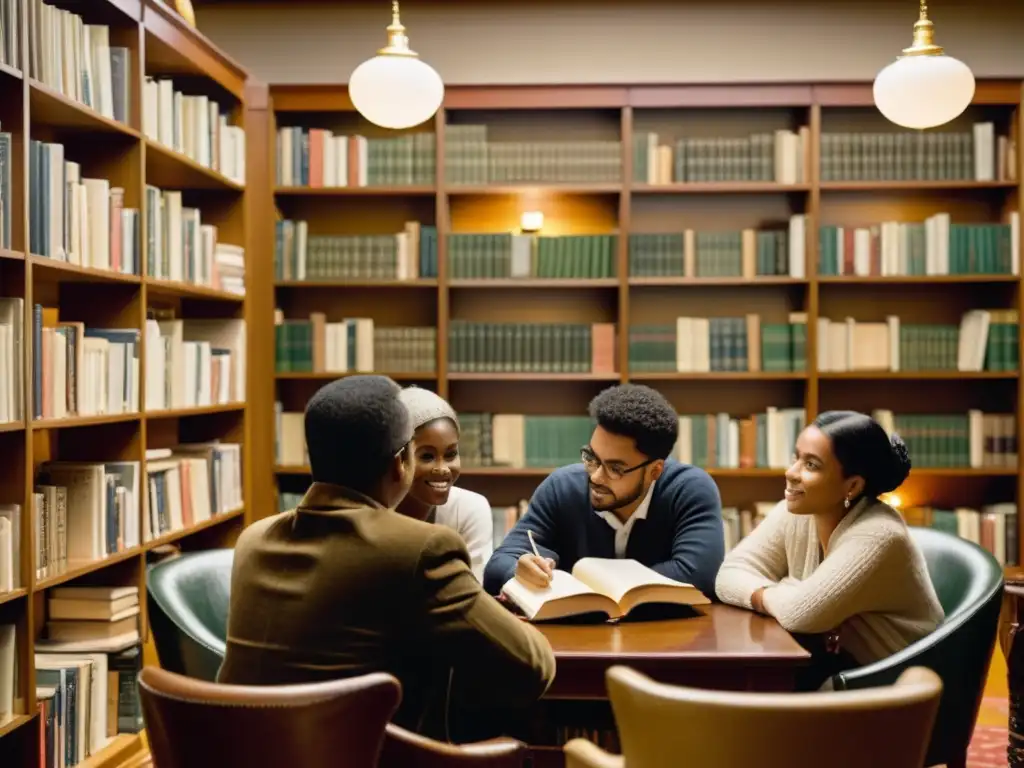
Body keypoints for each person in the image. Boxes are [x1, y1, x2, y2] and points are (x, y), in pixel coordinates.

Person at [218, 375, 555, 740]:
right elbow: (531, 666)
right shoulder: (419, 549)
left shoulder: (251, 539)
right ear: (400, 465)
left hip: (240, 751)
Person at [715, 410, 944, 690]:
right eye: (795, 457)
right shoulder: (799, 510)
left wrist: (781, 590)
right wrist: (791, 593)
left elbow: (800, 613)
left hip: (895, 683)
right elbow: (728, 574)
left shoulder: (879, 535)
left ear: (852, 485)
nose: (791, 473)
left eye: (811, 465)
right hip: (834, 664)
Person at [483, 383, 725, 600]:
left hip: (667, 641)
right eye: (592, 458)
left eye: (615, 468)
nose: (596, 476)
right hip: (577, 640)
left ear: (655, 470)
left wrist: (588, 584)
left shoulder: (689, 490)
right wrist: (519, 570)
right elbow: (497, 568)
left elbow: (698, 577)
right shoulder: (562, 487)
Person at [396, 386, 493, 582]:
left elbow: (474, 592)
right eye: (427, 456)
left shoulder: (469, 509)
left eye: (450, 455)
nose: (443, 469)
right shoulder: (371, 511)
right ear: (398, 458)